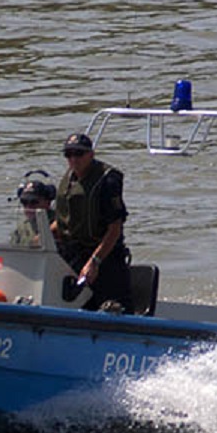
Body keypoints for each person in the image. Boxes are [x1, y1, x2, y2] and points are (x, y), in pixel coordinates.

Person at [51, 132, 134, 313]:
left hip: (104, 259)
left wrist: (94, 262)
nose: (73, 159)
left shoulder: (107, 180)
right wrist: (41, 237)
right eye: (69, 154)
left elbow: (114, 228)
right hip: (74, 256)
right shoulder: (70, 180)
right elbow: (64, 221)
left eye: (79, 154)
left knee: (114, 308)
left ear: (91, 154)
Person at [10, 177, 56, 247]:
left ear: (48, 202)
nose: (28, 207)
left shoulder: (59, 222)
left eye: (33, 202)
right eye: (24, 202)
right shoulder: (20, 230)